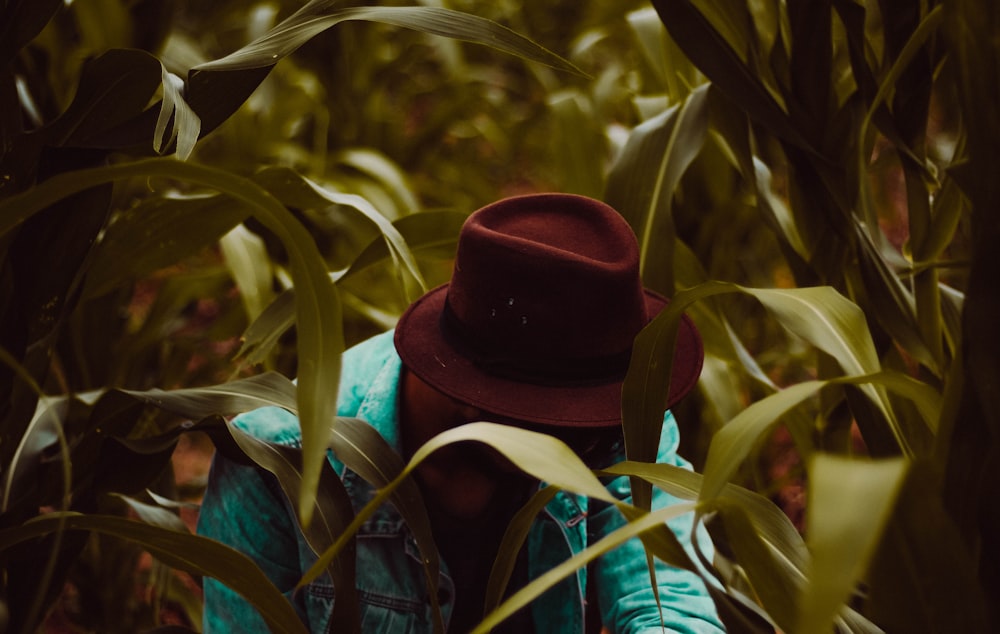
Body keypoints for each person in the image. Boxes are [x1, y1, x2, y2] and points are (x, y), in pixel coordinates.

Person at [197, 193, 725, 633]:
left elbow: (670, 602)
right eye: (569, 419)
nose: (596, 440)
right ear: (473, 392)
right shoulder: (275, 461)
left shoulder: (613, 423)